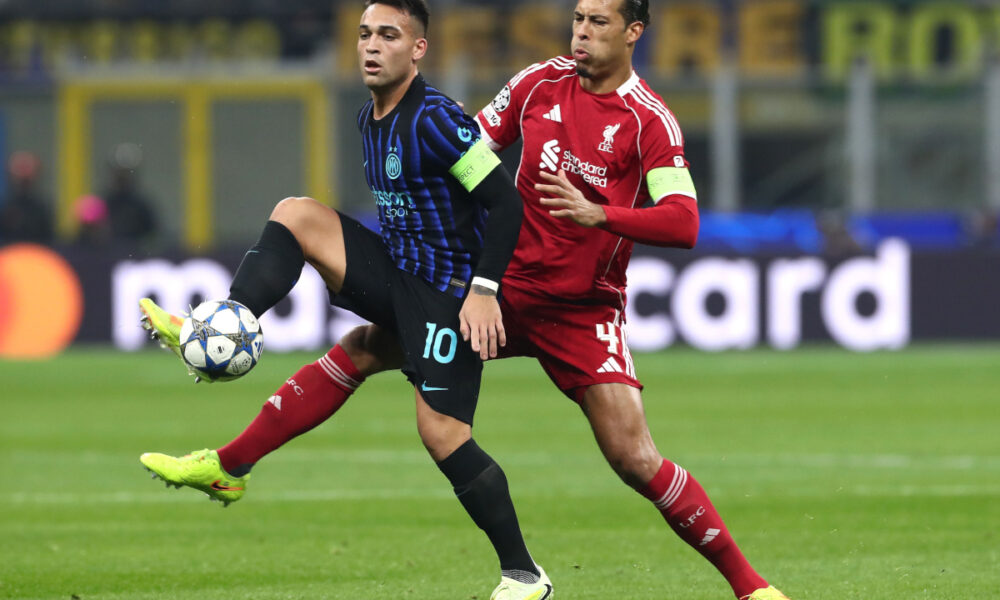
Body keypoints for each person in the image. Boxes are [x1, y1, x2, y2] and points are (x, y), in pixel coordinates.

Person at [145, 1, 791, 598]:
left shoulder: (648, 119)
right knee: (367, 348)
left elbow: (683, 221)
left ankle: (750, 586)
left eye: (598, 21)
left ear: (634, 32)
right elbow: (470, 150)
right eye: (578, 18)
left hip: (580, 308)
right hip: (498, 289)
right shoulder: (539, 83)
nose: (582, 32)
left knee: (633, 456)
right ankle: (229, 452)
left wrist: (601, 214)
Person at [137, 2, 552, 599]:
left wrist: (484, 291)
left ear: (418, 49)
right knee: (297, 215)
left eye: (388, 35)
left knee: (441, 434)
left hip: (445, 296)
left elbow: (504, 203)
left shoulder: (435, 119)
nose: (371, 46)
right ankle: (223, 338)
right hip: (400, 271)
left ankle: (525, 576)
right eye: (364, 35)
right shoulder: (370, 118)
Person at [0, 151, 53, 244]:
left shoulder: (43, 208)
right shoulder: (4, 207)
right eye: (20, 169)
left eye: (27, 168)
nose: (23, 174)